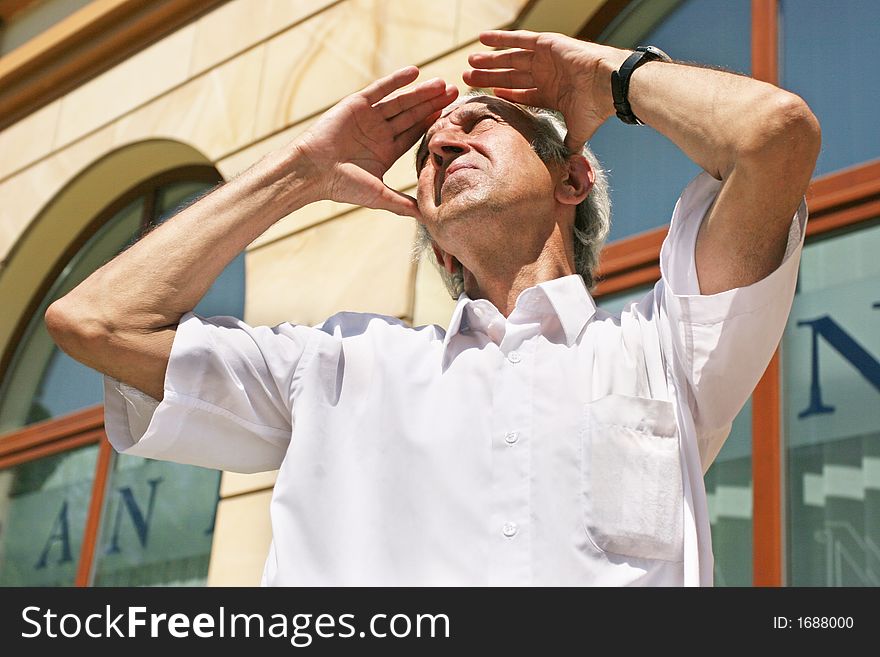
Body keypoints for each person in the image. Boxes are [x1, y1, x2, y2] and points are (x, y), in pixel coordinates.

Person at [45, 30, 820, 586]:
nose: (443, 145)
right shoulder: (337, 366)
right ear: (439, 247)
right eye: (426, 157)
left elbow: (775, 136)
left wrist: (607, 77)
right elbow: (96, 322)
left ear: (572, 179)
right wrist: (299, 173)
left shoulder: (662, 353)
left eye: (478, 122)